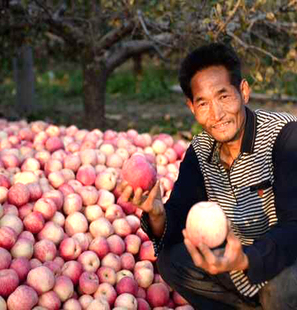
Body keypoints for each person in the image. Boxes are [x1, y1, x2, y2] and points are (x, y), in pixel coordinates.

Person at [118, 42, 297, 310]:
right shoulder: (201, 152)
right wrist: (157, 214)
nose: (217, 114)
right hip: (236, 264)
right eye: (203, 103)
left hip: (284, 258)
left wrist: (246, 259)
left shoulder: (284, 136)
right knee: (171, 259)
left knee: (281, 288)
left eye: (224, 97)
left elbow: (295, 226)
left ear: (243, 92)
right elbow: (178, 215)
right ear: (191, 107)